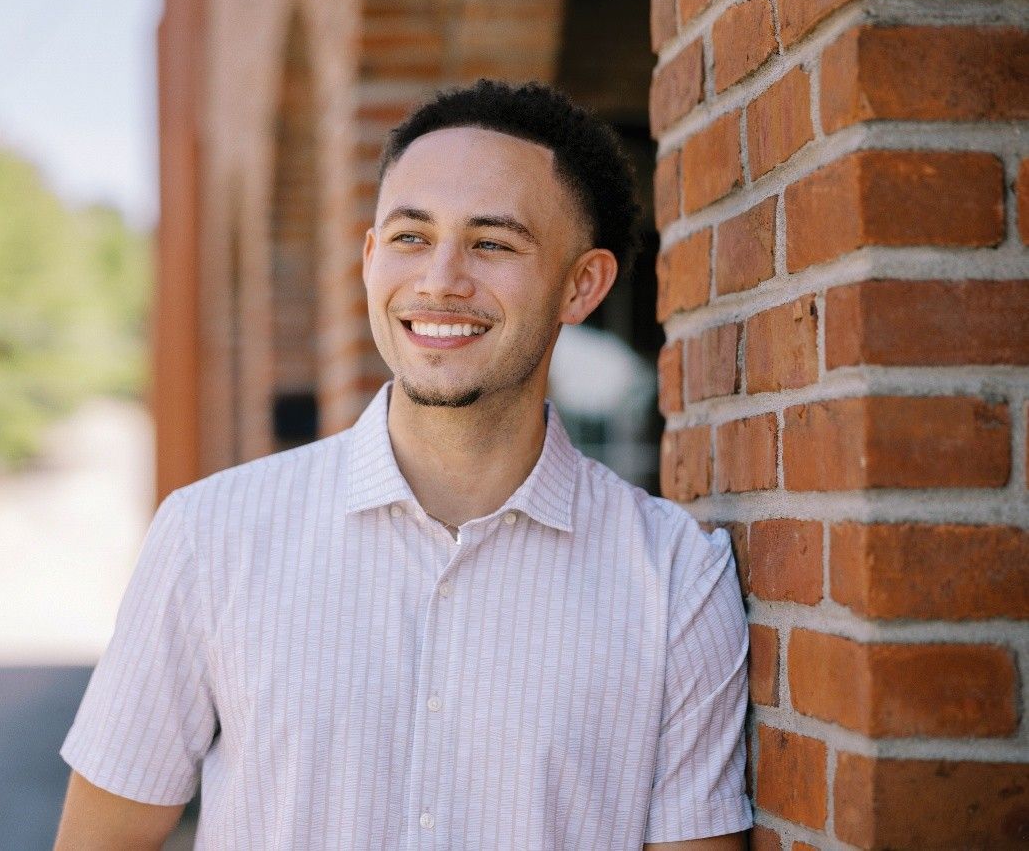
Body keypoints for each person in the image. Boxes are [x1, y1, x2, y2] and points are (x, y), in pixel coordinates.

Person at [52, 80, 752, 850]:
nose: (440, 279)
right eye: (411, 237)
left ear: (581, 286)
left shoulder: (677, 580)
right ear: (370, 256)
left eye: (492, 243)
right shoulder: (209, 535)